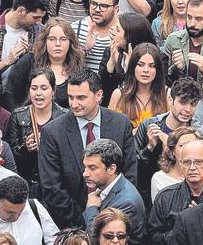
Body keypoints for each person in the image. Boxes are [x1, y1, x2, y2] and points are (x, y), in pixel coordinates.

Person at [38, 69, 138, 228]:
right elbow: (52, 188)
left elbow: (129, 174)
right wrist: (86, 219)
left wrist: (109, 219)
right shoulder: (53, 132)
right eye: (71, 97)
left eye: (81, 98)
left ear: (98, 95)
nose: (74, 104)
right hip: (71, 224)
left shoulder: (121, 124)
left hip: (116, 221)